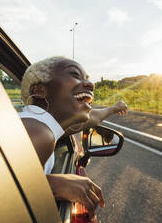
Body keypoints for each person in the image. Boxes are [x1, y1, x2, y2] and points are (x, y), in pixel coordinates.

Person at [19, 56, 127, 218]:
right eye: (75, 75)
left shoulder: (40, 124)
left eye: (88, 79)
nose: (91, 85)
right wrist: (51, 185)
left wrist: (113, 108)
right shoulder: (39, 133)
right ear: (39, 91)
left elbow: (92, 117)